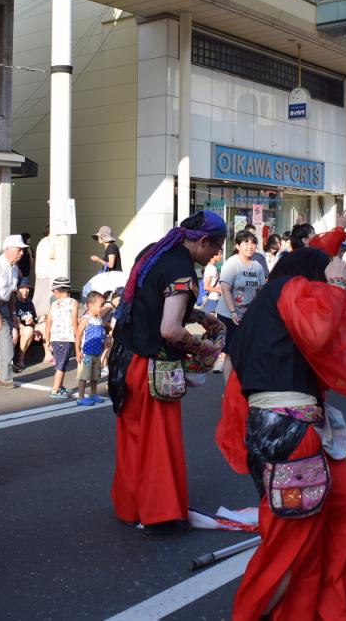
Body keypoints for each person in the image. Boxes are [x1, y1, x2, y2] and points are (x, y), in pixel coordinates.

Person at [214, 247, 346, 619]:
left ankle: (345, 606)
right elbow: (318, 333)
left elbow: (231, 372)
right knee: (292, 545)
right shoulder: (291, 288)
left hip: (286, 429)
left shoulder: (265, 306)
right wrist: (336, 285)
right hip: (292, 432)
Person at [109, 210, 227, 537]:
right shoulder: (182, 269)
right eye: (215, 248)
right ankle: (159, 514)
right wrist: (201, 347)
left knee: (134, 438)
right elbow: (170, 328)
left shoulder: (154, 251)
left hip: (126, 357)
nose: (215, 256)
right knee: (158, 440)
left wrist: (198, 314)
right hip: (152, 364)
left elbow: (149, 301)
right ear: (202, 240)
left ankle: (130, 507)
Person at [0, 234, 29, 388]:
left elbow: (11, 295)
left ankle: (4, 379)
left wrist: (14, 314)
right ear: (8, 249)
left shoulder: (15, 269)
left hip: (4, 307)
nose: (21, 253)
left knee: (7, 345)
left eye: (22, 250)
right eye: (19, 250)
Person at [215, 230, 267, 345]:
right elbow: (225, 289)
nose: (250, 246)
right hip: (228, 315)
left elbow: (261, 290)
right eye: (246, 243)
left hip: (247, 315)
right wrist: (233, 312)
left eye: (253, 243)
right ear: (238, 246)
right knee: (227, 348)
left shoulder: (258, 267)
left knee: (244, 347)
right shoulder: (232, 263)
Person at [44, 277, 79, 399]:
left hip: (55, 337)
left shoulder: (53, 304)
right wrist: (78, 335)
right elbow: (74, 320)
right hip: (66, 337)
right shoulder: (73, 302)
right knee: (61, 365)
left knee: (61, 363)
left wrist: (47, 337)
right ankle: (55, 389)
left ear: (57, 291)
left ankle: (60, 386)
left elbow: (48, 322)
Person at [75, 291, 108, 406]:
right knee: (84, 376)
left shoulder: (99, 319)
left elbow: (102, 333)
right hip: (86, 353)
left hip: (97, 353)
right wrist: (78, 350)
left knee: (95, 376)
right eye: (101, 305)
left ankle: (93, 394)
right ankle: (80, 397)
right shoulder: (86, 319)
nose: (103, 308)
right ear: (90, 306)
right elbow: (78, 335)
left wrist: (106, 338)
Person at [13, 278, 38, 373]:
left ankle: (20, 359)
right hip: (15, 328)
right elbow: (13, 318)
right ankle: (18, 360)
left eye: (27, 288)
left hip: (27, 331)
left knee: (31, 330)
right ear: (17, 290)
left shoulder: (29, 303)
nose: (25, 291)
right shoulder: (14, 302)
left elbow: (35, 322)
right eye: (22, 288)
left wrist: (31, 322)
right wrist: (22, 326)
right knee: (28, 330)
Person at [33, 225, 56, 319]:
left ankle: (39, 315)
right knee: (43, 297)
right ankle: (39, 315)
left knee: (41, 296)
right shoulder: (48, 242)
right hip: (46, 273)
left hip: (42, 273)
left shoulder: (42, 242)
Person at [201, 249, 222, 314]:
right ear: (214, 255)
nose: (221, 256)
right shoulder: (211, 268)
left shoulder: (212, 267)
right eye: (220, 254)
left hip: (213, 299)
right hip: (212, 299)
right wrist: (220, 290)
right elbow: (206, 287)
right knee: (211, 322)